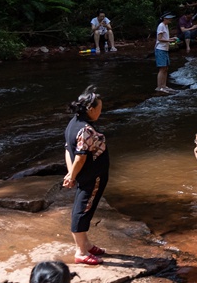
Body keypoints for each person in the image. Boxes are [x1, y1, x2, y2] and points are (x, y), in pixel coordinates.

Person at [63, 86, 109, 265]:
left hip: (86, 175)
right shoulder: (86, 130)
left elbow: (68, 149)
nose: (100, 111)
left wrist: (70, 173)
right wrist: (73, 175)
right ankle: (81, 252)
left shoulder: (73, 123)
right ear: (90, 109)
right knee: (82, 211)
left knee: (85, 208)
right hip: (92, 176)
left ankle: (86, 244)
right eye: (99, 108)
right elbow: (80, 158)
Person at [155, 12, 177, 92]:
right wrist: (170, 40)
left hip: (165, 49)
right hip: (160, 49)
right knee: (162, 69)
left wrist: (171, 38)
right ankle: (159, 87)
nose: (171, 19)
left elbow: (164, 37)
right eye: (169, 18)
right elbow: (159, 38)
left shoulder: (166, 26)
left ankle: (164, 86)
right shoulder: (161, 26)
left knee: (165, 68)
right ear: (165, 19)